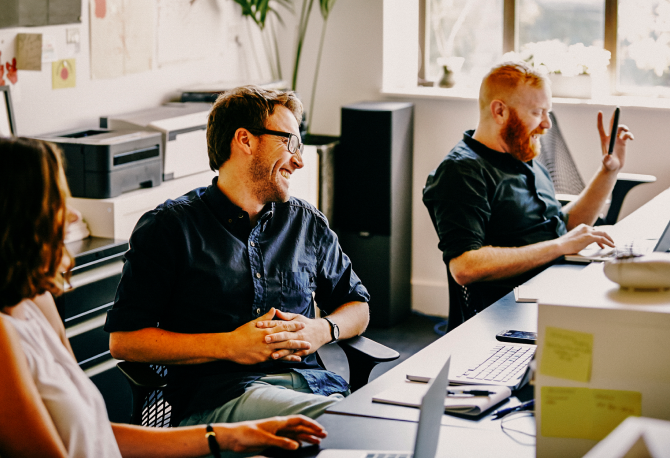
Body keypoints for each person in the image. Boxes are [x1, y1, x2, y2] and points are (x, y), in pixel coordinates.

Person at [0, 136, 327, 458]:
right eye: (55, 202)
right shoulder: (3, 336)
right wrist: (231, 347)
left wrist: (229, 437)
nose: (71, 216)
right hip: (217, 394)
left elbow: (96, 431)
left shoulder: (36, 304)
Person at [104, 86, 370, 429]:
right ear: (245, 140)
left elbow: (357, 307)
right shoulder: (170, 228)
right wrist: (230, 345)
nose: (299, 160)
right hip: (219, 400)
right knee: (347, 422)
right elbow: (124, 341)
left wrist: (323, 328)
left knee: (353, 417)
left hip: (311, 387)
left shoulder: (306, 223)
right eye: (289, 142)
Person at [423, 62, 633, 326]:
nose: (546, 124)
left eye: (548, 112)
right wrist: (560, 246)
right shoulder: (461, 172)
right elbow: (465, 266)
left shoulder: (522, 154)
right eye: (537, 112)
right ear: (500, 111)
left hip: (554, 286)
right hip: (511, 313)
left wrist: (609, 171)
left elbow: (562, 227)